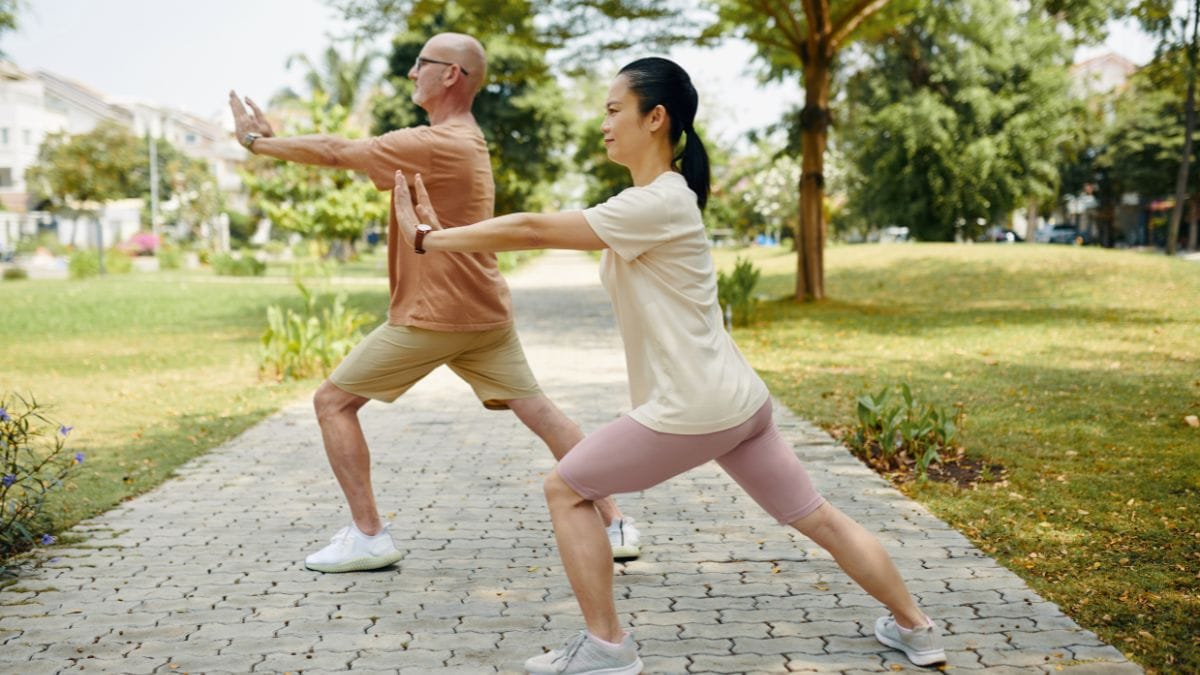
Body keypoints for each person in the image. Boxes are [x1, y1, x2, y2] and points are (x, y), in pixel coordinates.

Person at [390, 56, 948, 673]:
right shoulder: (660, 198)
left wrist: (428, 238)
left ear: (655, 118)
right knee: (815, 516)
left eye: (612, 110)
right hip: (738, 400)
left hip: (697, 405)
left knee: (567, 488)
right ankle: (917, 630)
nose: (603, 124)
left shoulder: (656, 202)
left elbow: (530, 228)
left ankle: (607, 648)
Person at [228, 32, 641, 574]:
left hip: (436, 314)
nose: (410, 73)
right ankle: (614, 523)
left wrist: (258, 144)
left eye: (421, 63)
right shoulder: (464, 139)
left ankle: (369, 535)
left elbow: (337, 151)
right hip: (484, 313)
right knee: (540, 411)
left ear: (451, 75)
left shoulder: (438, 141)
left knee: (332, 403)